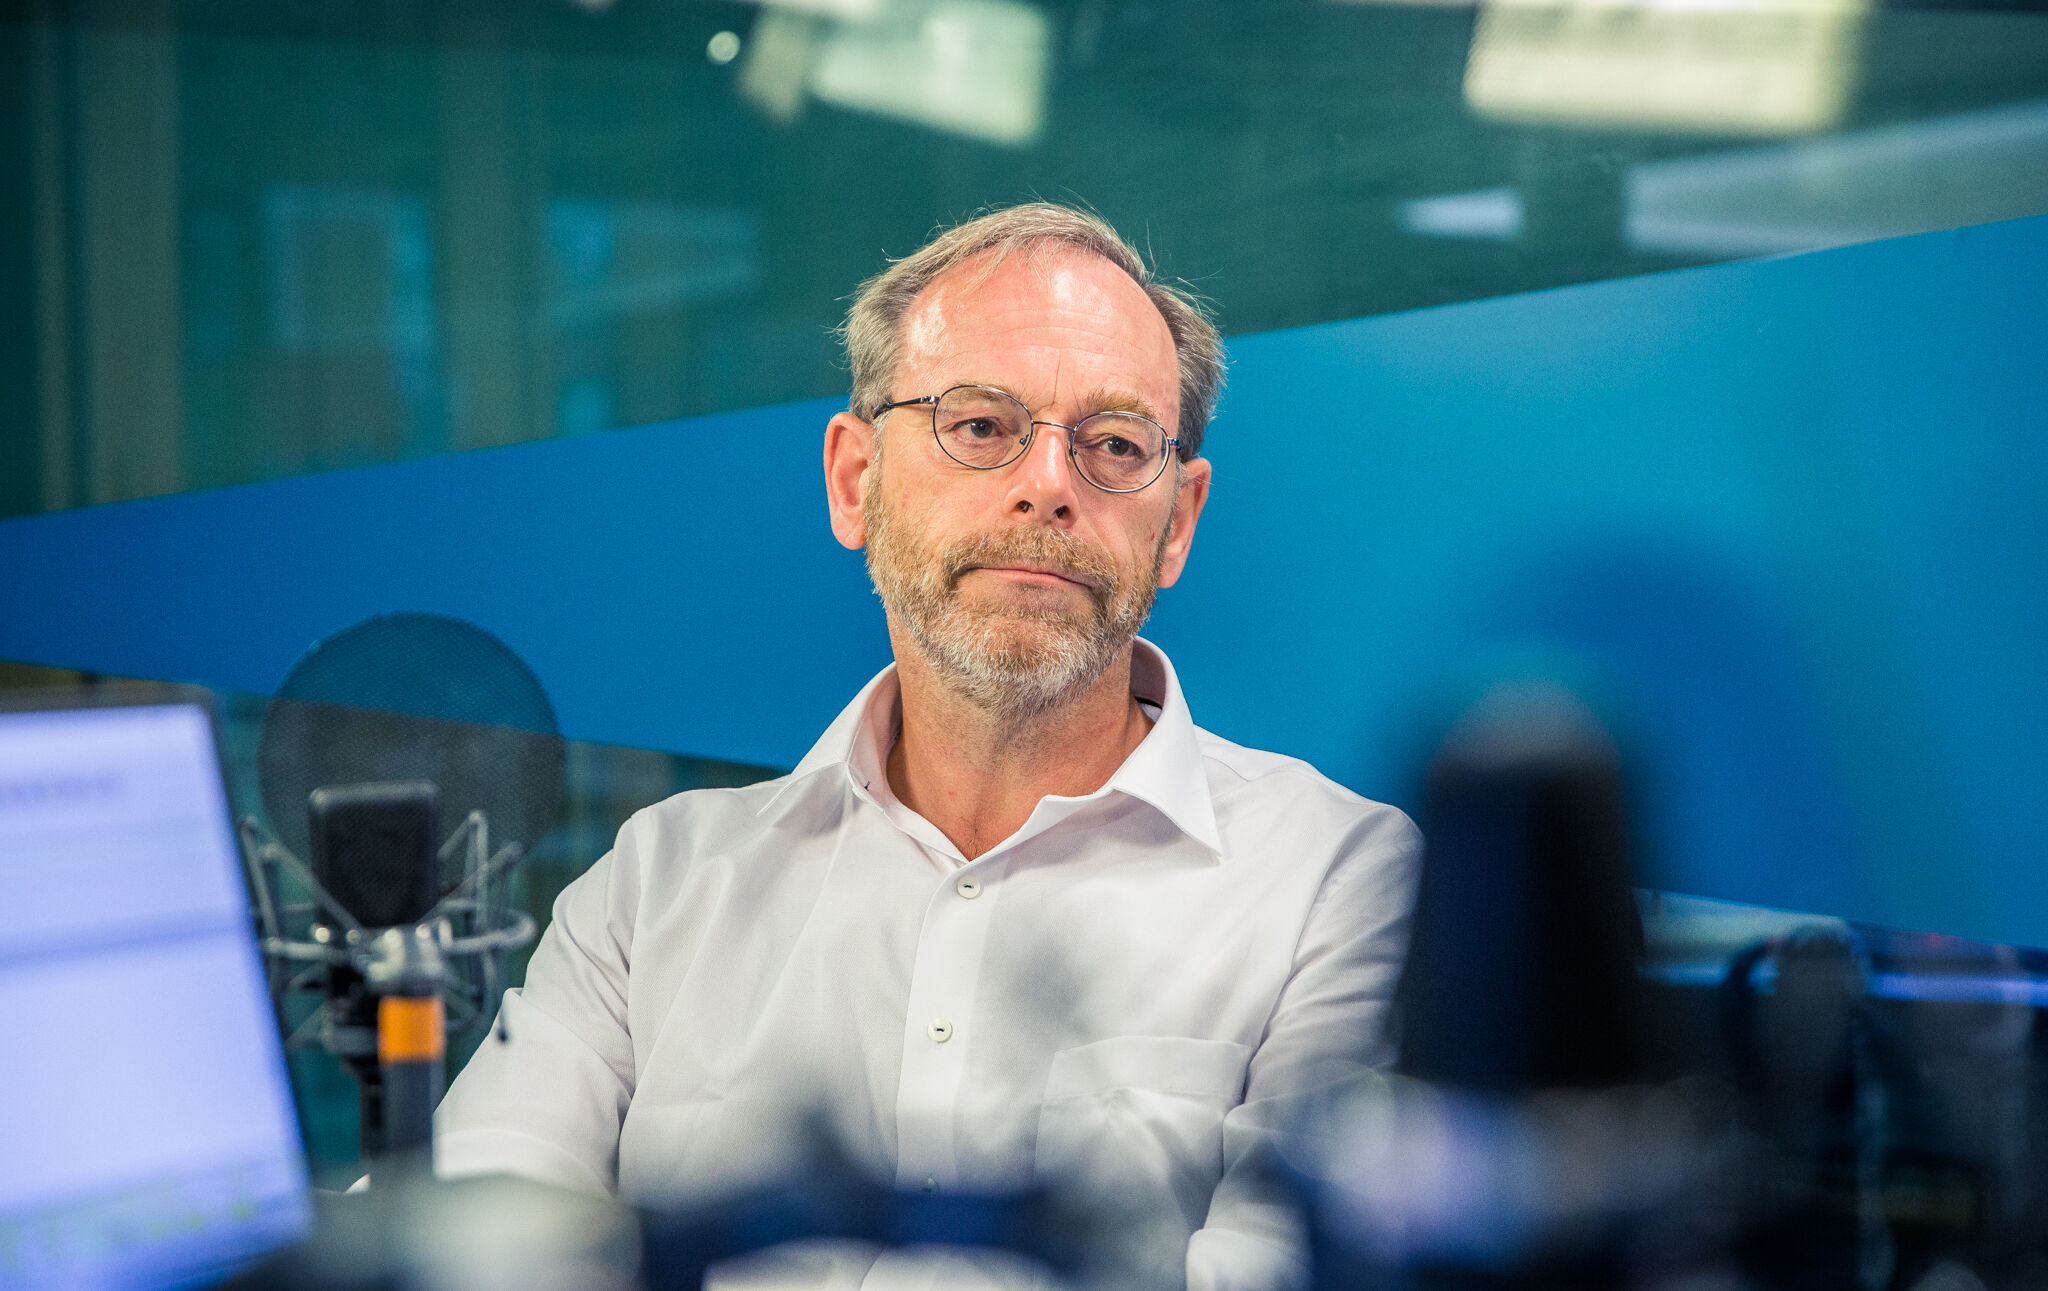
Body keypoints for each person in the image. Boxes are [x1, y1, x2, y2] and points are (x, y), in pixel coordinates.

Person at [435, 203, 1420, 1290]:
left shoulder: (1336, 884)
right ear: (854, 480)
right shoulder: (653, 890)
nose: (1049, 485)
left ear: (1177, 520)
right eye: (981, 425)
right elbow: (478, 1242)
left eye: (1114, 444)